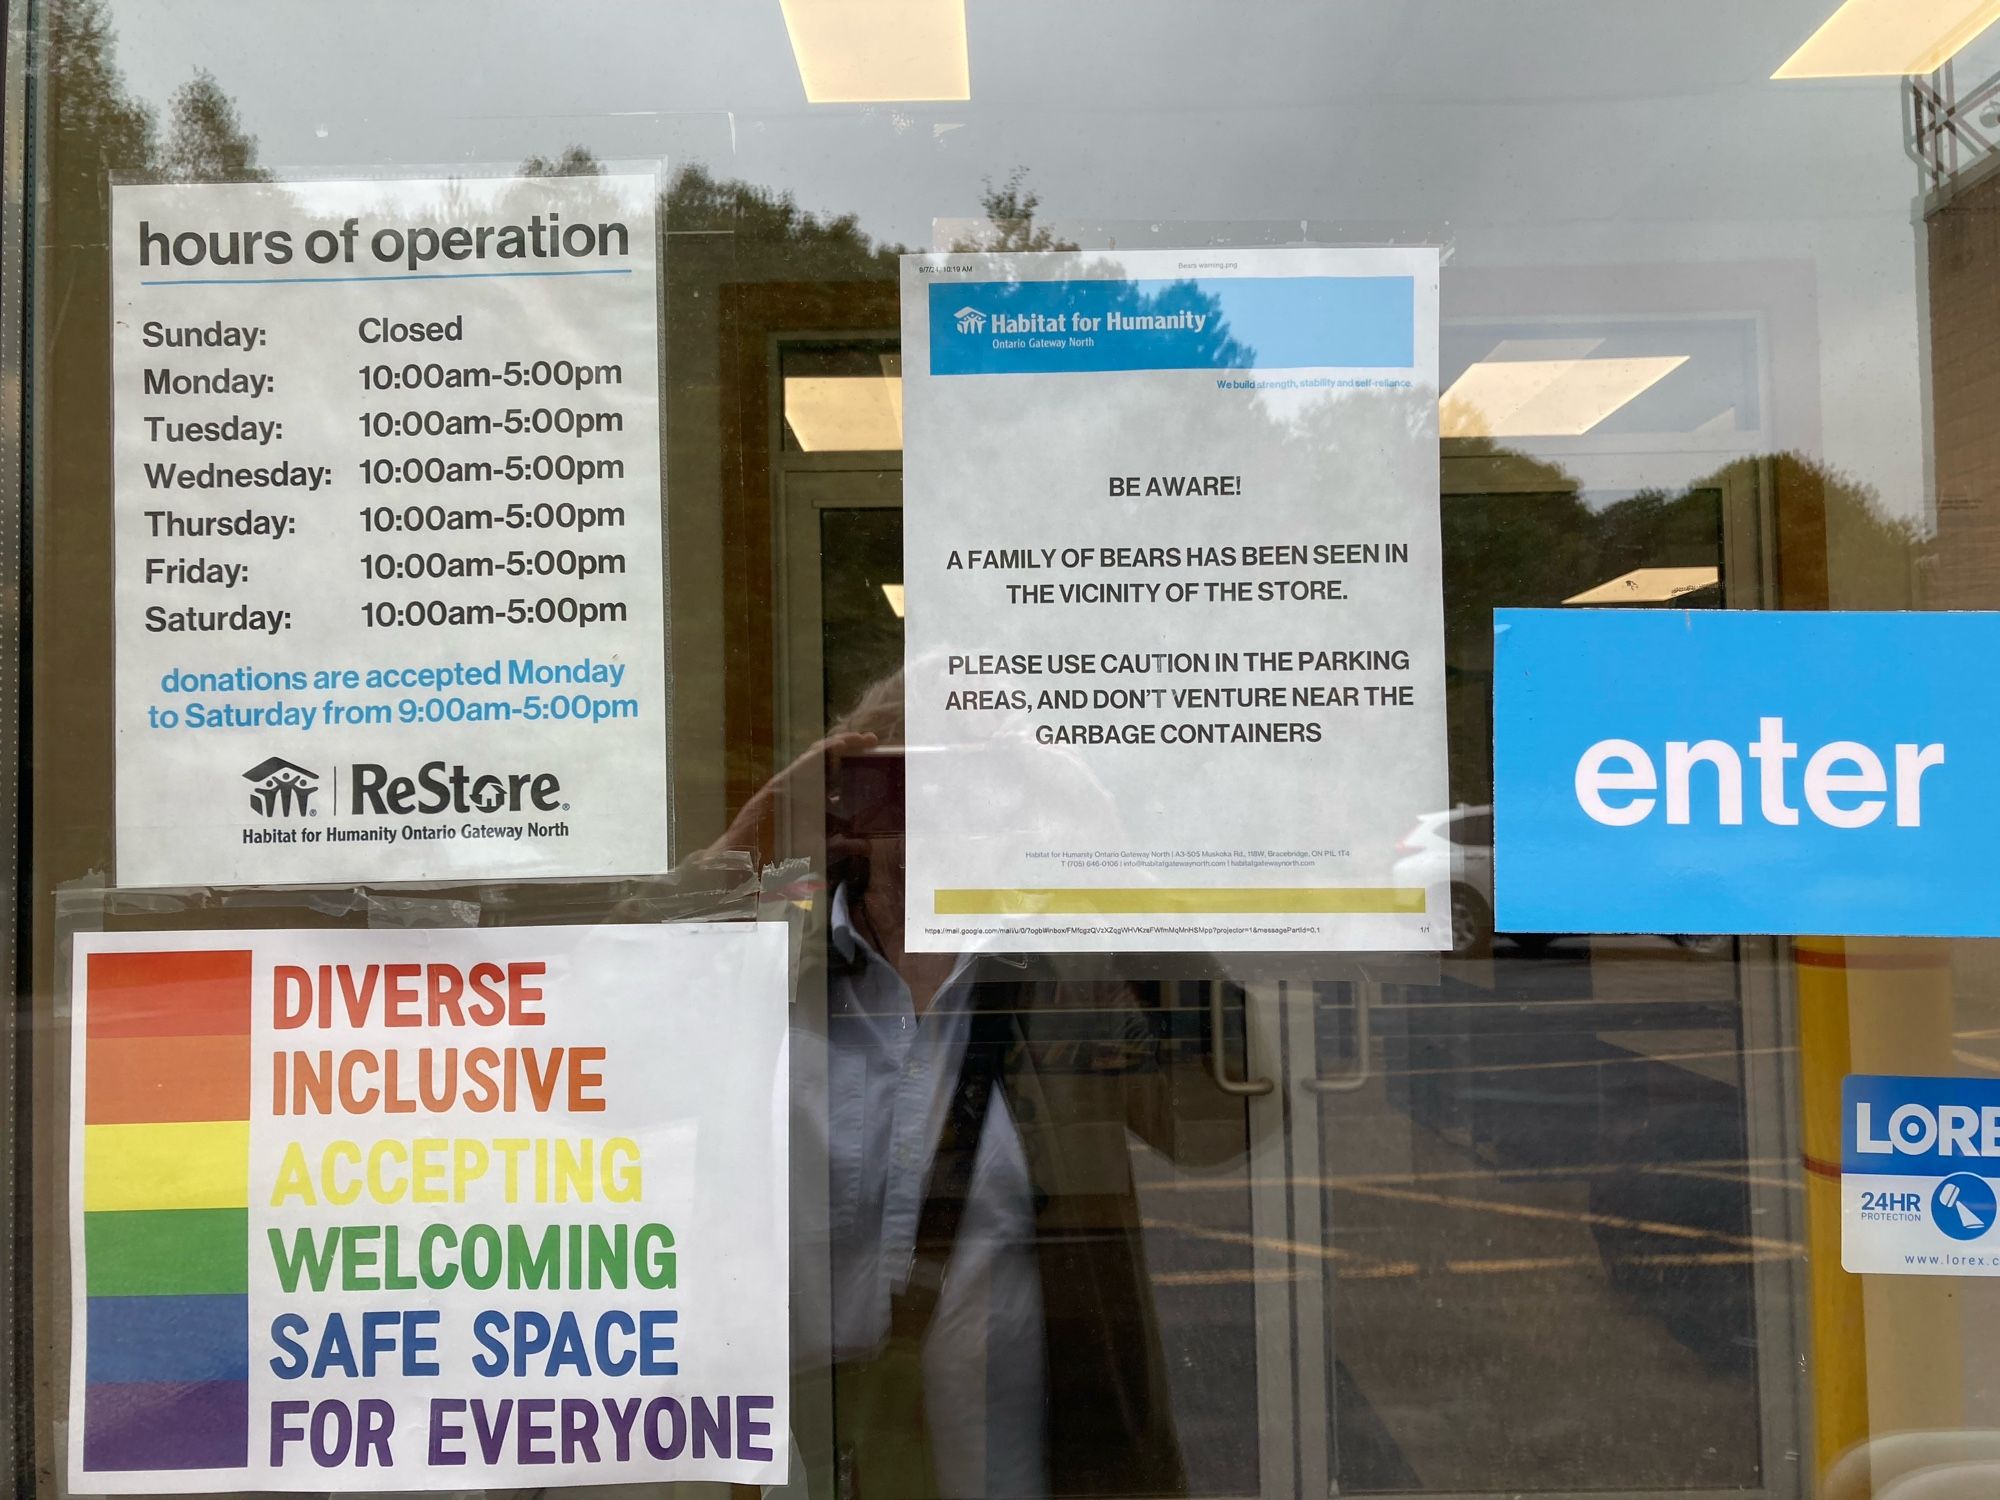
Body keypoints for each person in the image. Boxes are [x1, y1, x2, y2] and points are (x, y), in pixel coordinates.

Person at [715, 673, 1245, 1500]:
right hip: (776, 1439)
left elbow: (1223, 1121)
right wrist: (764, 824)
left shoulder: (1067, 978)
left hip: (1017, 1452)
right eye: (906, 777)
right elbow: (615, 1026)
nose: (943, 810)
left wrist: (1110, 857)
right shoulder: (772, 967)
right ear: (852, 799)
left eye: (983, 782)